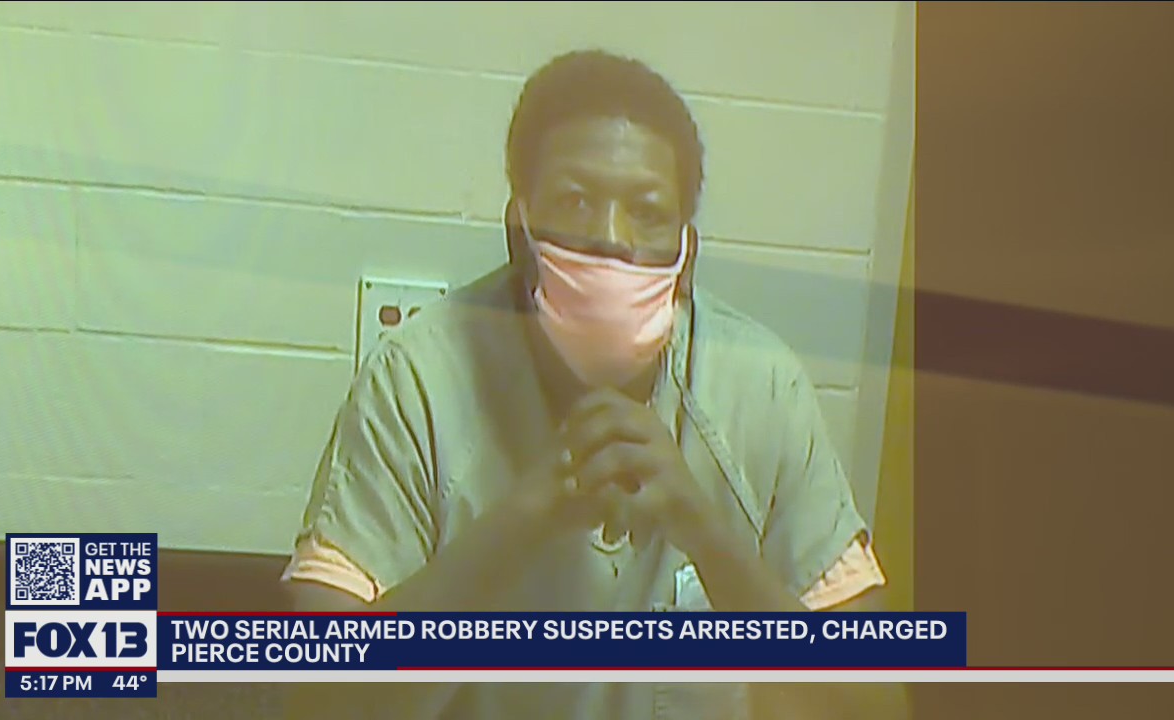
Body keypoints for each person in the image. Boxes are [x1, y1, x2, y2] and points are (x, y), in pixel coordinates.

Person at [280, 50, 908, 720]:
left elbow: (877, 703)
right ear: (518, 230)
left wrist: (704, 532)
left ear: (686, 255)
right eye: (576, 202)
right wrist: (524, 518)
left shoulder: (760, 387)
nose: (611, 240)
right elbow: (316, 697)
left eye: (647, 211)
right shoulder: (418, 381)